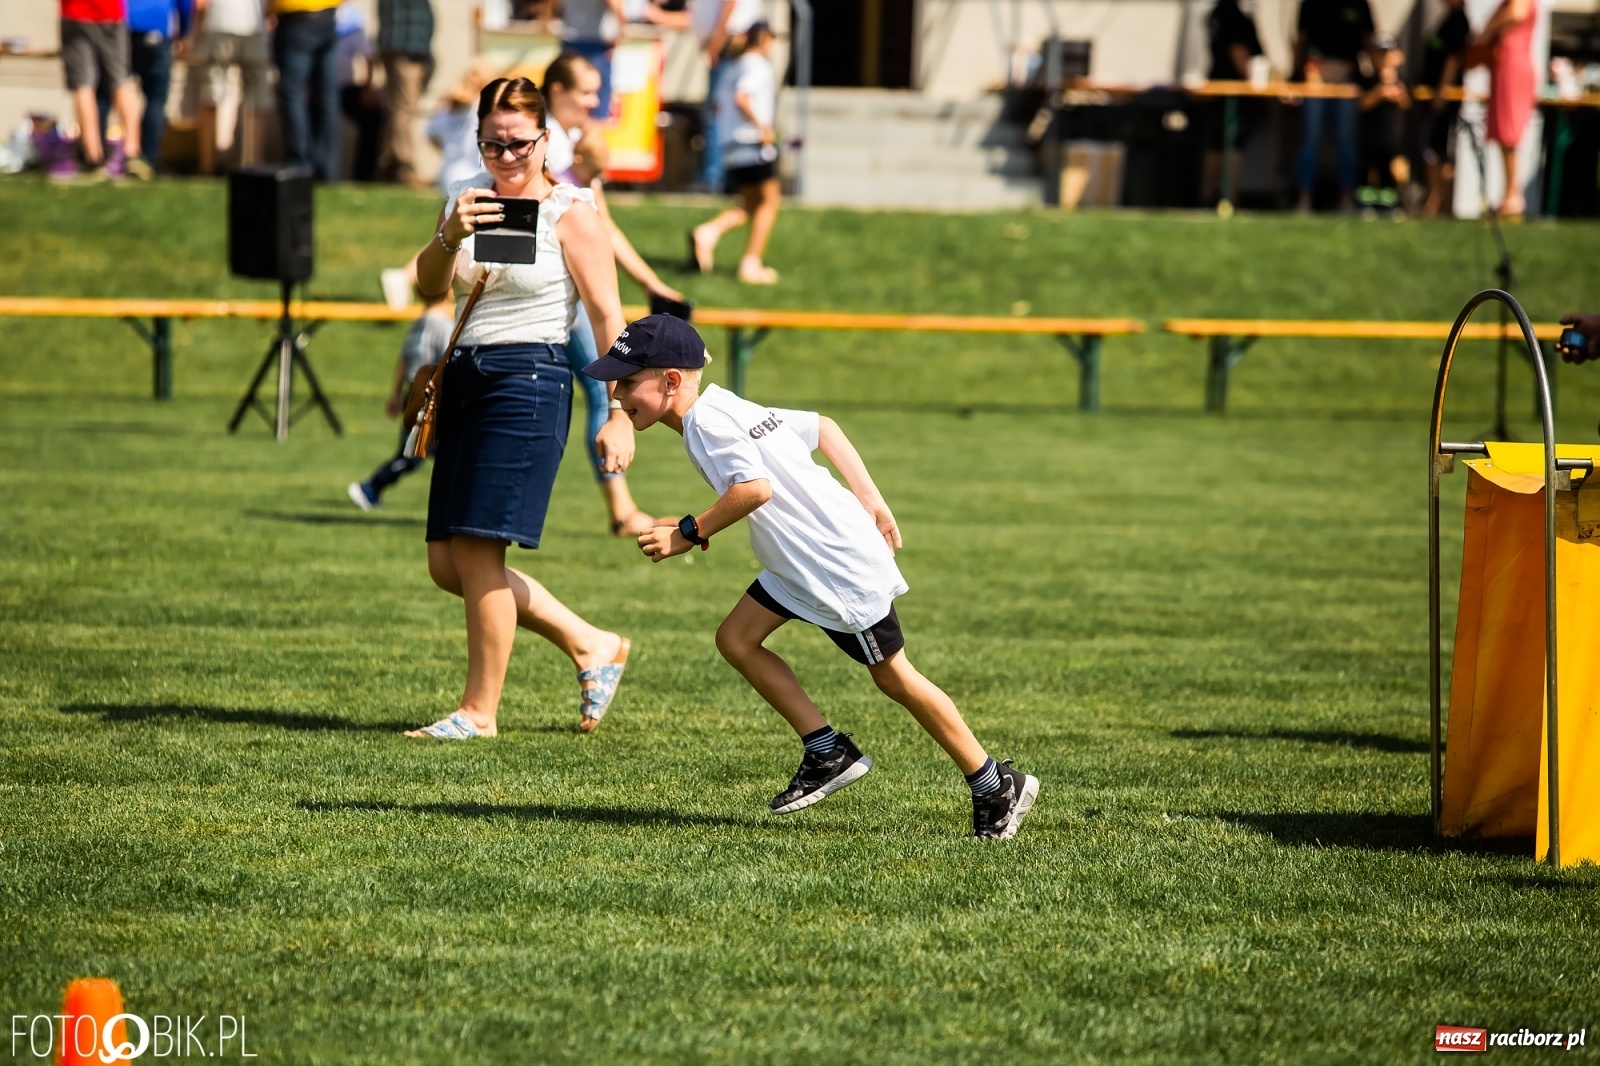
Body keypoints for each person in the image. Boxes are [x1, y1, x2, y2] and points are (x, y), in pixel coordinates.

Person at [583, 315, 1041, 839]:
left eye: (626, 381)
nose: (617, 393)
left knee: (894, 676)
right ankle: (827, 751)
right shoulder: (722, 405)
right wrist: (870, 497)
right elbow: (822, 427)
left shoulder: (708, 423)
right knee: (736, 638)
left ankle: (994, 784)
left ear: (669, 381)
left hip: (832, 566)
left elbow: (754, 489)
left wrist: (688, 531)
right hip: (796, 564)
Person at [404, 76, 634, 739]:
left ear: (545, 139)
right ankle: (591, 642)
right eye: (491, 144)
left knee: (478, 552)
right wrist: (448, 235)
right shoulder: (466, 201)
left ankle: (479, 713)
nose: (505, 158)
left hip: (528, 381)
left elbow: (608, 318)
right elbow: (429, 288)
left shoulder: (572, 211)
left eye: (518, 144)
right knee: (448, 563)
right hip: (467, 379)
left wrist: (620, 412)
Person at [544, 51, 688, 535]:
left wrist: (650, 282)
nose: (593, 100)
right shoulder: (554, 148)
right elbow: (599, 228)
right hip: (563, 292)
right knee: (606, 388)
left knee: (598, 388)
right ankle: (622, 511)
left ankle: (621, 508)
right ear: (557, 92)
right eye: (585, 91)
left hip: (576, 288)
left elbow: (604, 228)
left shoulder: (570, 145)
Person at [689, 22, 780, 284]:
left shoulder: (732, 67)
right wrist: (762, 127)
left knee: (751, 203)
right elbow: (743, 98)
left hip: (731, 145)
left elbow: (717, 105)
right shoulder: (757, 65)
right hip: (752, 142)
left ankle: (709, 232)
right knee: (769, 202)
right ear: (763, 40)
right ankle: (751, 263)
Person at [347, 293, 453, 511]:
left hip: (414, 391)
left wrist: (395, 393)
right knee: (415, 453)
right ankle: (371, 487)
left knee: (445, 452)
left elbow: (404, 361)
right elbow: (449, 362)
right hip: (431, 395)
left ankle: (453, 503)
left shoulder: (418, 322)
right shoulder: (443, 324)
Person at [1292, 0, 1375, 213]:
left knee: (1346, 142)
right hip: (1316, 80)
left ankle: (1346, 198)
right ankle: (1304, 198)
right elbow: (1301, 41)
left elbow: (1369, 41)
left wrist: (1373, 78)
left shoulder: (1360, 5)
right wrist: (1296, 75)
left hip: (1347, 80)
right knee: (1311, 139)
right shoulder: (1311, 5)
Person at [59, 0, 154, 180]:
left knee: (83, 85)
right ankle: (132, 152)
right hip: (110, 11)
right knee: (121, 82)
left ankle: (92, 156)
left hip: (76, 11)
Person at [1471, 0, 1536, 219]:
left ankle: (1512, 196)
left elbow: (1516, 13)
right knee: (1503, 128)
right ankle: (1510, 194)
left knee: (1508, 128)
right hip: (1507, 61)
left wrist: (1486, 30)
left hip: (1512, 62)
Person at [191, 0, 270, 175]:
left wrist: (196, 29)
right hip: (253, 24)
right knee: (256, 94)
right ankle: (254, 162)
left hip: (220, 22)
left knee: (212, 90)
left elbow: (201, 4)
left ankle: (207, 164)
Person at [692, 0, 762, 193]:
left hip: (728, 41)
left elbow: (730, 3)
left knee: (716, 112)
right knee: (726, 112)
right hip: (732, 39)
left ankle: (713, 178)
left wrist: (717, 39)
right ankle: (728, 178)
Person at [271, 0, 342, 182]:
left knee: (292, 94)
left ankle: (300, 164)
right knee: (326, 97)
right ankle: (326, 168)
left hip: (296, 17)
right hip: (327, 16)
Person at [1202, 0, 1264, 206]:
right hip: (1235, 90)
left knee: (1216, 143)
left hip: (1215, 85)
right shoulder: (1235, 16)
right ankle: (1229, 196)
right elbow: (1238, 54)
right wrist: (1256, 83)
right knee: (1233, 144)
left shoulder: (1215, 14)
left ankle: (1209, 195)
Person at [121, 0, 193, 171]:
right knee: (156, 97)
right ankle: (148, 158)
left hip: (124, 28)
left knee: (119, 89)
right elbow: (186, 5)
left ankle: (105, 154)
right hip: (157, 32)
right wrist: (184, 32)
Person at [1418, 0, 1469, 218]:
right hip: (1434, 96)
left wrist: (1442, 92)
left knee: (1440, 151)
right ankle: (1435, 200)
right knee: (1432, 149)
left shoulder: (1458, 21)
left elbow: (1453, 59)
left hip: (1445, 100)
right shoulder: (1447, 18)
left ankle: (1437, 202)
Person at [376, 0, 434, 186]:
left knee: (400, 108)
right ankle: (404, 167)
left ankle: (386, 165)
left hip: (417, 49)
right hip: (402, 47)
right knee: (403, 109)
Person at [1356, 37, 1410, 217]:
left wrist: (1399, 95)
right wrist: (1379, 93)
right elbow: (1362, 104)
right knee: (1367, 170)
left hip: (1391, 138)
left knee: (1388, 171)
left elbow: (1407, 105)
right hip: (1370, 136)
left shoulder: (1402, 81)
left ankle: (1387, 206)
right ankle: (1365, 205)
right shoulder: (1369, 81)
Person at [334, 0, 382, 181]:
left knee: (373, 116)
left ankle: (364, 177)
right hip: (316, 89)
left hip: (344, 87)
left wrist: (367, 89)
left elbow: (369, 56)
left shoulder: (353, 17)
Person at [427, 65, 490, 194]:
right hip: (475, 176)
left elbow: (430, 133)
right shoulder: (482, 108)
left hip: (447, 175)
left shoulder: (445, 111)